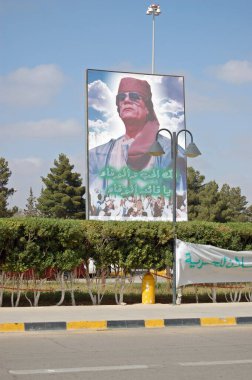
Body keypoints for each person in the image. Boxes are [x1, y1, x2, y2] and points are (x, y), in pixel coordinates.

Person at [89, 76, 186, 219]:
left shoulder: (171, 151)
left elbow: (180, 198)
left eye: (134, 96)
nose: (126, 100)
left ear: (148, 108)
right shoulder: (97, 155)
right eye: (121, 97)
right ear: (118, 107)